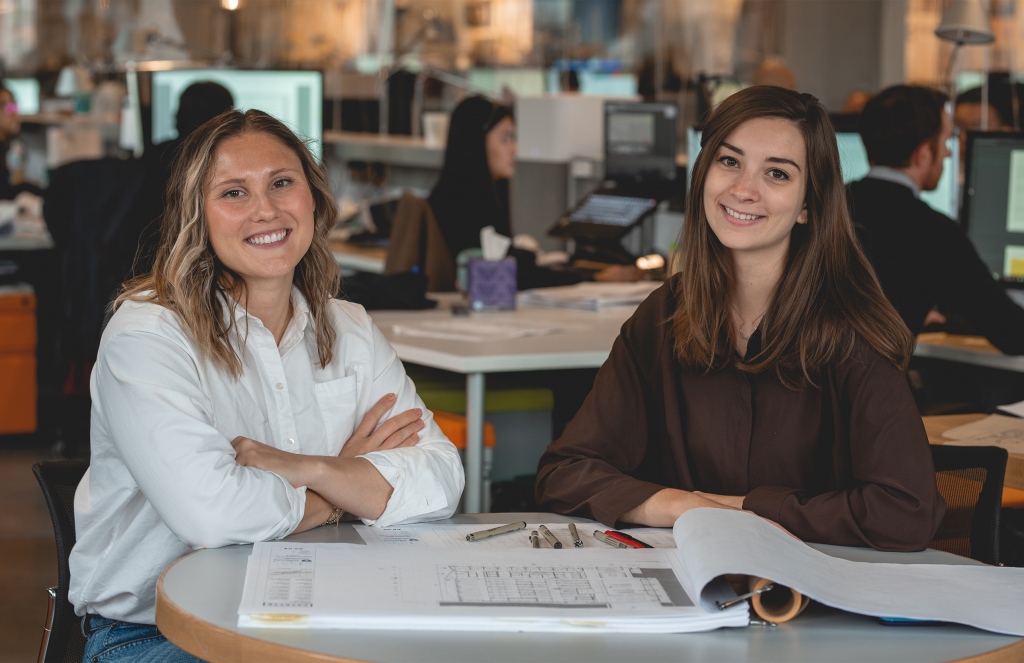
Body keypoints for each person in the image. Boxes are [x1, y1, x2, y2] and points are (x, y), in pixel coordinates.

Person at [69, 109, 465, 661]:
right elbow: (212, 517)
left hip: (327, 612)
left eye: (282, 183)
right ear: (196, 216)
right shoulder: (147, 336)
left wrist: (311, 468)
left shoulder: (350, 327)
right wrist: (342, 489)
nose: (266, 210)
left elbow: (441, 478)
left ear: (313, 199)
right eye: (234, 193)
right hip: (155, 636)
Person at [536, 86, 944, 552]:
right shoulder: (666, 313)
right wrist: (679, 505)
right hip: (688, 577)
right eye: (729, 161)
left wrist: (746, 508)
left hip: (810, 584)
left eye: (777, 173)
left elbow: (906, 513)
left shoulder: (852, 331)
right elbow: (563, 472)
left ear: (808, 205)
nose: (743, 189)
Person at [847, 85, 1024, 354]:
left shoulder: (827, 206)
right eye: (944, 142)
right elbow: (1013, 333)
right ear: (922, 154)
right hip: (876, 379)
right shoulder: (933, 232)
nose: (949, 153)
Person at [427, 95, 639, 289]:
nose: (514, 149)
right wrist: (594, 278)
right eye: (505, 139)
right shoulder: (458, 204)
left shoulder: (481, 195)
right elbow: (511, 274)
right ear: (476, 143)